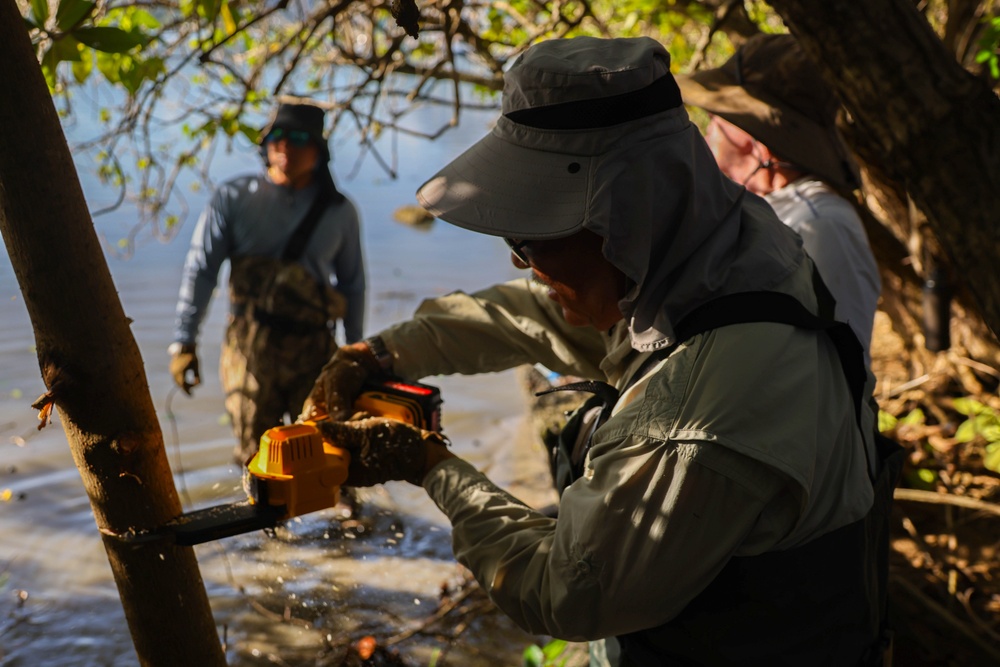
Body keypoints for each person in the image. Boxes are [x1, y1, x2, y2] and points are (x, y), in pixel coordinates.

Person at [303, 37, 893, 665]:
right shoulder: (728, 251)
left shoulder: (693, 413)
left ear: (624, 219)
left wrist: (427, 464)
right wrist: (378, 355)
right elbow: (535, 314)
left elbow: (567, 591)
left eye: (530, 238)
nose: (518, 260)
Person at [170, 100, 366, 462]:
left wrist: (356, 355)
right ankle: (267, 519)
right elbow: (202, 269)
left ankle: (347, 516)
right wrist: (184, 342)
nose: (286, 146)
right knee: (257, 455)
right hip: (250, 349)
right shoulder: (233, 198)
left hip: (314, 348)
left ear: (318, 150)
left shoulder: (340, 211)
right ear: (265, 145)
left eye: (299, 137)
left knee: (330, 447)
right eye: (277, 136)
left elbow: (353, 284)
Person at [674, 33, 881, 365]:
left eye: (717, 119)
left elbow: (834, 373)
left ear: (753, 138)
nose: (708, 132)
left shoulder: (820, 226)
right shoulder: (759, 213)